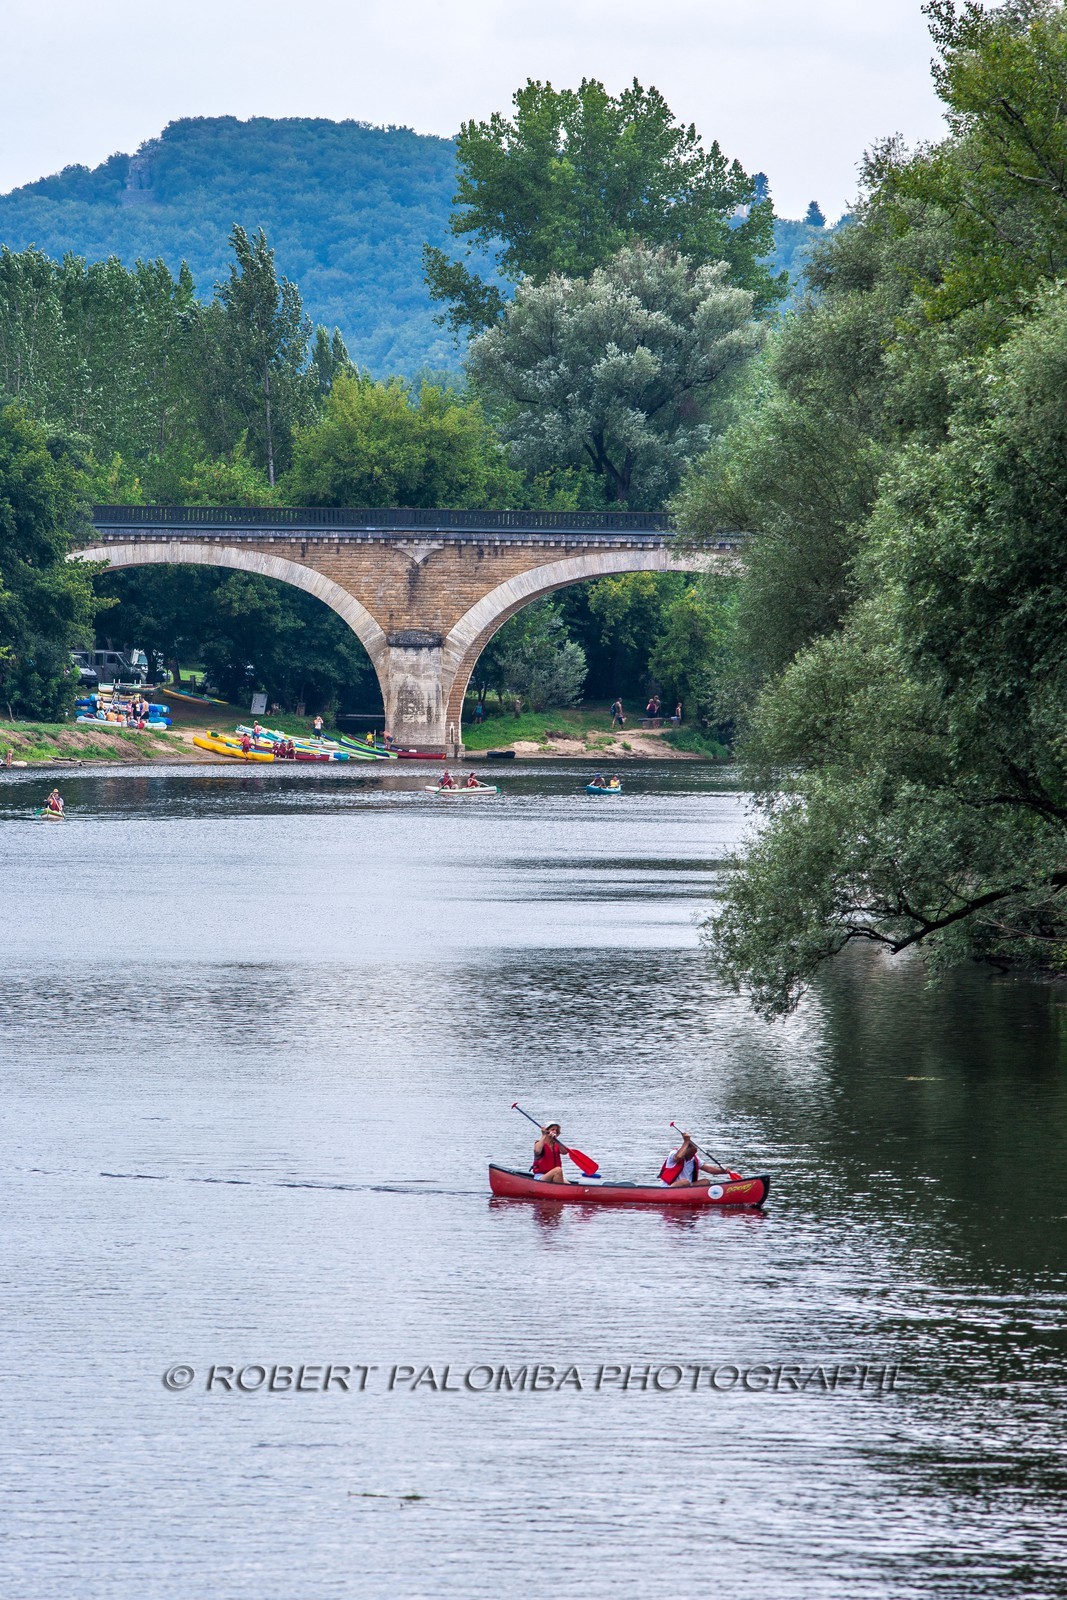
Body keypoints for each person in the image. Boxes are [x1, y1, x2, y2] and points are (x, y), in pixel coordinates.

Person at [658, 1132, 727, 1187]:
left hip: (687, 1187)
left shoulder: (694, 1158)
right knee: (685, 1182)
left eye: (694, 1153)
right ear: (686, 1150)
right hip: (669, 1187)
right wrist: (686, 1142)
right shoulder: (674, 1154)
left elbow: (709, 1169)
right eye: (691, 1154)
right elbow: (678, 1157)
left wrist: (725, 1171)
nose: (692, 1156)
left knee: (705, 1182)